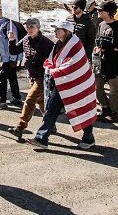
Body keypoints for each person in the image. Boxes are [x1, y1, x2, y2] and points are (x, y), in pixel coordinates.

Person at [31, 21, 98, 149]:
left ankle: (88, 138)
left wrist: (55, 71)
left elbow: (74, 64)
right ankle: (41, 138)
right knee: (51, 109)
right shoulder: (58, 44)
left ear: (66, 31)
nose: (55, 31)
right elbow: (52, 60)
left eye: (58, 29)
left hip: (76, 83)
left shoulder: (75, 44)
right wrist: (51, 68)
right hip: (61, 82)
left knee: (80, 108)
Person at [7, 18, 54, 140]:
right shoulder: (26, 40)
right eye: (27, 27)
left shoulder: (46, 43)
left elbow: (55, 59)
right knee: (40, 101)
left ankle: (20, 127)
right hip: (32, 75)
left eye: (32, 27)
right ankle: (50, 124)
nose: (29, 29)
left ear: (38, 28)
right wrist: (11, 40)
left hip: (43, 77)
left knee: (30, 99)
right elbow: (14, 51)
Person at [94, 1, 118, 123]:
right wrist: (98, 49)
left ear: (108, 12)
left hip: (115, 64)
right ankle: (105, 109)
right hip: (100, 63)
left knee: (114, 91)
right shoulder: (101, 24)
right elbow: (98, 41)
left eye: (100, 10)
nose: (98, 12)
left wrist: (107, 49)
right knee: (97, 87)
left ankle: (115, 113)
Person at [0, 17, 23, 108]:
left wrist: (13, 59)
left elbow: (15, 42)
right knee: (11, 75)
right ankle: (17, 97)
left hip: (10, 57)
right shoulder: (1, 24)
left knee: (2, 76)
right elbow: (0, 40)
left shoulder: (10, 25)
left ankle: (2, 101)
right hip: (6, 56)